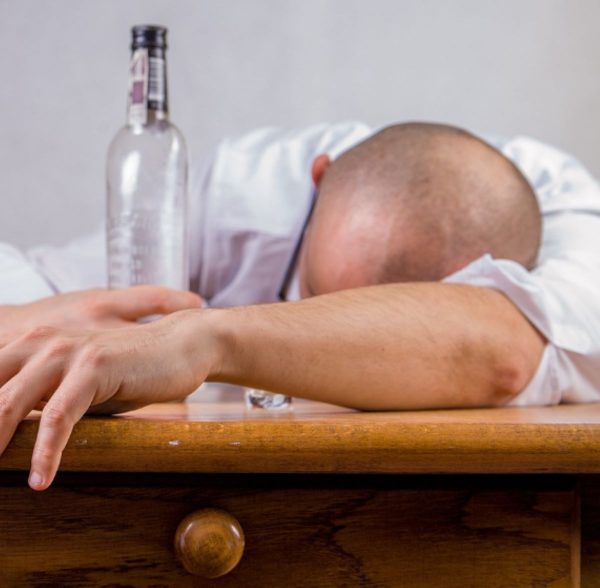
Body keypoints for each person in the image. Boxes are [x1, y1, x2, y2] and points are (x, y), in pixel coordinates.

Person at [0, 121, 599, 491]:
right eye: (313, 297)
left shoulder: (572, 219)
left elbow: (502, 357)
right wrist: (38, 319)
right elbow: (27, 286)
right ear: (318, 180)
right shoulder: (246, 191)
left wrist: (201, 341)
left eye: (382, 323)